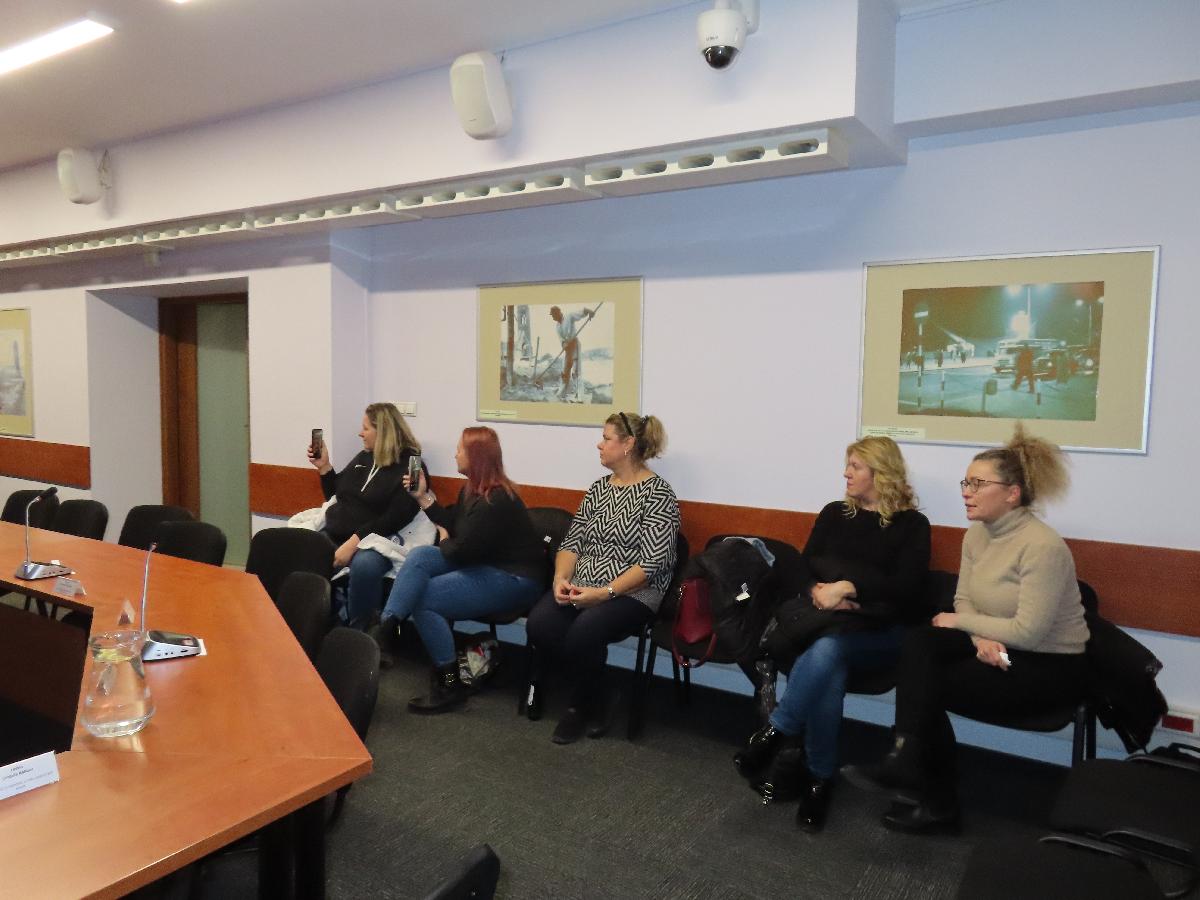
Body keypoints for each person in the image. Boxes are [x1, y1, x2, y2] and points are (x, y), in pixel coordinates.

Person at [842, 424, 1088, 834]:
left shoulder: (1042, 546)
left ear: (1012, 494)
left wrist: (962, 625)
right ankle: (905, 758)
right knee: (920, 644)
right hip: (996, 645)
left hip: (1044, 665)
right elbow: (964, 600)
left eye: (978, 484)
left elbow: (1027, 631)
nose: (966, 492)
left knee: (925, 681)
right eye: (965, 482)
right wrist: (977, 636)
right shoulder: (977, 535)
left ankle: (932, 793)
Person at [733, 436, 930, 833]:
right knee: (829, 664)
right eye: (848, 465)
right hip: (827, 624)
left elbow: (906, 590)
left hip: (883, 633)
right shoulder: (834, 514)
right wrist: (820, 592)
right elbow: (804, 568)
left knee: (827, 652)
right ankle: (819, 780)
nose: (846, 473)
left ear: (881, 472)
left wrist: (849, 587)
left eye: (855, 466)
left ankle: (777, 731)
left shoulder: (912, 525)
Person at [525, 412, 680, 744]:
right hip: (584, 584)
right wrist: (560, 578)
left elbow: (652, 564)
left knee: (585, 631)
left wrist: (604, 593)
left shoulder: (658, 495)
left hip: (634, 592)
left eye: (607, 438)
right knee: (540, 625)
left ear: (628, 445)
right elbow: (571, 543)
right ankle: (604, 691)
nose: (599, 444)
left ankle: (579, 707)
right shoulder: (598, 489)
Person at [381, 427, 545, 713]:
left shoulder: (496, 501)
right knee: (420, 556)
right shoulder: (471, 491)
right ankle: (386, 628)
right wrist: (422, 496)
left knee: (425, 599)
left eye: (460, 449)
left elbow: (458, 550)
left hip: (516, 579)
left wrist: (446, 538)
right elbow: (454, 528)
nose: (455, 454)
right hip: (485, 563)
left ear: (476, 456)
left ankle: (450, 684)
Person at [307, 402, 423, 631]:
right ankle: (317, 621)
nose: (360, 433)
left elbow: (399, 515)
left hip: (377, 541)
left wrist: (354, 542)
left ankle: (359, 632)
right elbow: (338, 495)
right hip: (339, 532)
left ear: (383, 431)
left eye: (366, 428)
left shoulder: (413, 464)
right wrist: (324, 467)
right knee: (304, 548)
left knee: (365, 566)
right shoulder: (364, 457)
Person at [550, 305, 594, 398]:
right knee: (565, 371)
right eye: (552, 316)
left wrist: (589, 311)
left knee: (576, 371)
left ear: (558, 313)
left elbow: (581, 312)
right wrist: (563, 344)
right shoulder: (557, 327)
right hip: (567, 349)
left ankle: (580, 396)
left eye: (553, 315)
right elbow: (561, 340)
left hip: (575, 344)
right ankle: (561, 393)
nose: (553, 318)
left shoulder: (569, 316)